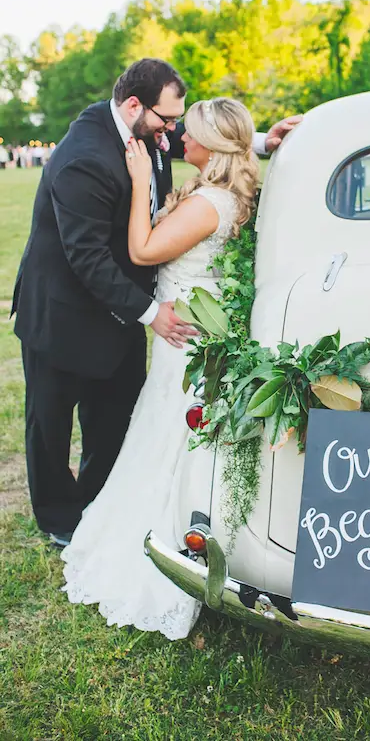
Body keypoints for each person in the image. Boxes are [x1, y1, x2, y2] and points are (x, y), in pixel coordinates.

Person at [12, 58, 300, 547]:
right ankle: (59, 519)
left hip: (123, 310)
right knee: (51, 424)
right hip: (62, 313)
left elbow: (204, 140)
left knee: (116, 418)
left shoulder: (147, 131)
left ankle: (102, 502)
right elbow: (86, 256)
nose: (172, 132)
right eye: (167, 121)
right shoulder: (84, 157)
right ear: (133, 106)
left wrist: (255, 143)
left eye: (178, 123)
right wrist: (150, 314)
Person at [61, 97, 258, 639]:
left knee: (170, 438)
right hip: (193, 333)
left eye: (186, 131)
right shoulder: (228, 191)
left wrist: (143, 177)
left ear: (210, 145)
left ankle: (161, 547)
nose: (175, 139)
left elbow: (144, 250)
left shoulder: (206, 203)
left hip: (185, 339)